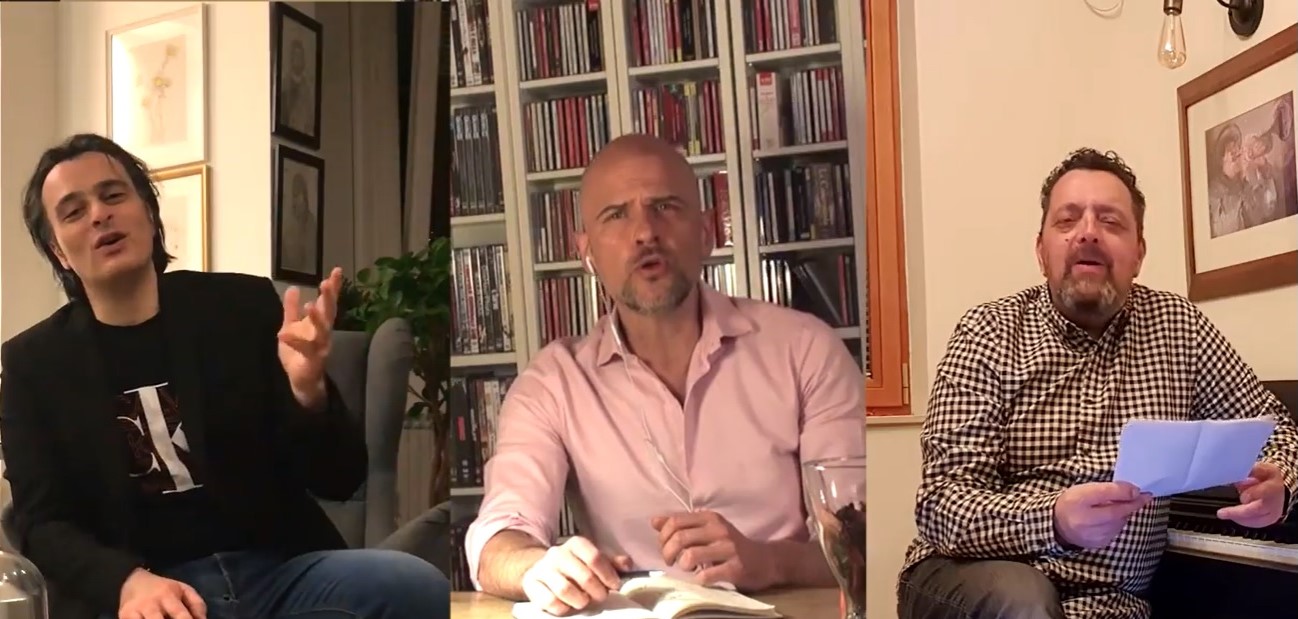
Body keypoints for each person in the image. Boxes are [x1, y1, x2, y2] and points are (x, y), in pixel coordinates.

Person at [0, 133, 450, 619]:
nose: (99, 215)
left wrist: (308, 391)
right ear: (59, 251)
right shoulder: (32, 365)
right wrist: (126, 584)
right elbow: (42, 523)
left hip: (280, 575)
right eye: (74, 212)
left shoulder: (240, 309)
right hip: (150, 592)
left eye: (113, 195)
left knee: (413, 584)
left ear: (148, 212)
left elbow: (340, 477)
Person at [466, 134, 865, 616]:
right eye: (616, 215)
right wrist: (537, 566)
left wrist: (770, 561)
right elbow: (497, 541)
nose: (644, 233)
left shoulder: (805, 350)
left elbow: (863, 542)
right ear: (586, 251)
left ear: (707, 231)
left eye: (665, 207)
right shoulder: (553, 383)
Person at [895, 148, 1298, 619]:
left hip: (1112, 605)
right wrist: (1053, 521)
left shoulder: (1180, 328)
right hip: (974, 579)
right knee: (1024, 600)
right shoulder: (988, 332)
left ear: (1139, 253)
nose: (1087, 232)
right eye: (1067, 220)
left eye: (1110, 221)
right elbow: (942, 505)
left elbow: (1275, 429)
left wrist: (1280, 483)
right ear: (1041, 251)